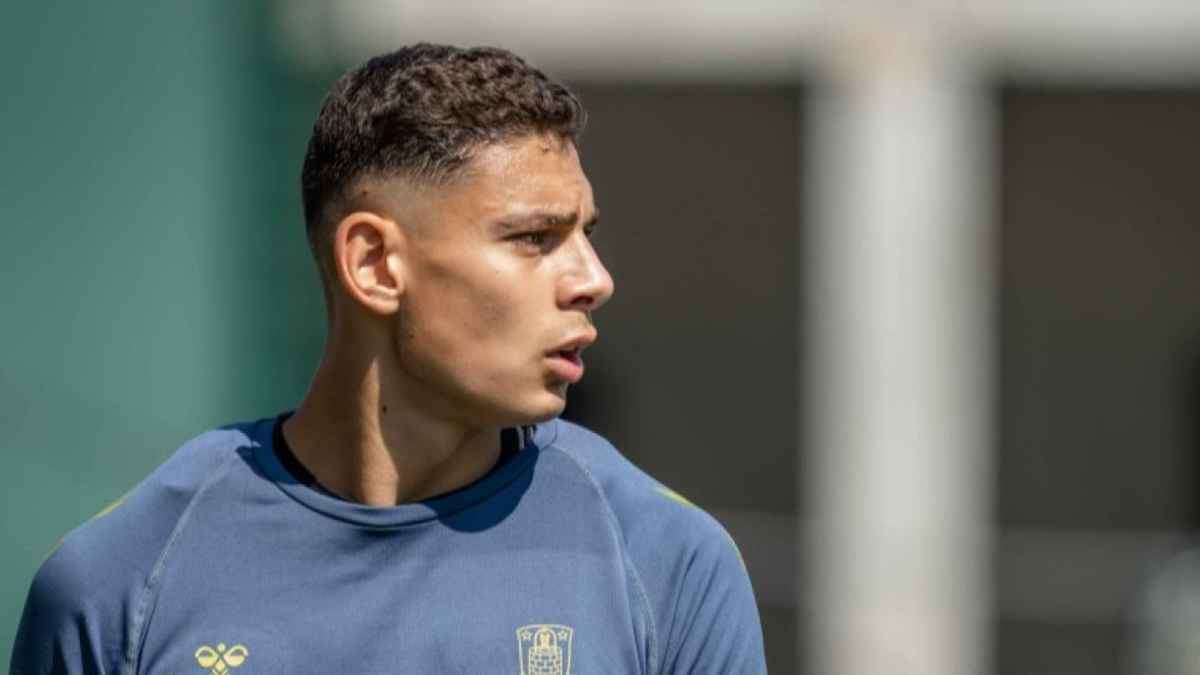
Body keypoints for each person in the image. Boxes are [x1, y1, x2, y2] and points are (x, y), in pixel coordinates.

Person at [11, 43, 767, 674]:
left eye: (585, 235)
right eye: (534, 238)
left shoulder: (669, 565)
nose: (593, 280)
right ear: (374, 264)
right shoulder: (118, 583)